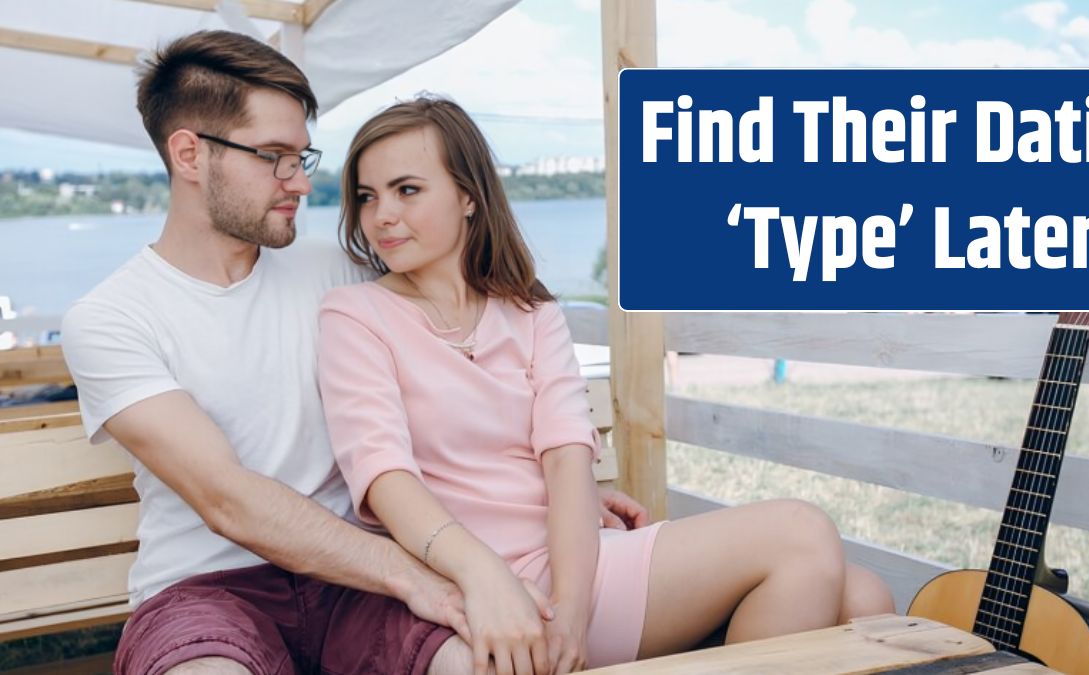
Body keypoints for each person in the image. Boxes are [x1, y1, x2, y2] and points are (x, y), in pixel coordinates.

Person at [60, 30, 648, 675]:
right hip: (210, 591)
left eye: (302, 158)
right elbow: (228, 500)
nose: (300, 183)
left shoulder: (340, 271)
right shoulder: (109, 319)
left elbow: (459, 353)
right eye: (274, 157)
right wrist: (418, 578)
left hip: (356, 588)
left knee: (491, 667)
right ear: (190, 154)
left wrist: (546, 489)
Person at [316, 97, 896, 675]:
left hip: (574, 568)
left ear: (469, 195)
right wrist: (500, 583)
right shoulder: (355, 315)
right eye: (367, 197)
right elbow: (384, 478)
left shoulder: (531, 312)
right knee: (802, 533)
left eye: (406, 190)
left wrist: (571, 609)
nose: (382, 215)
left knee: (864, 599)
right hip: (475, 582)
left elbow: (568, 463)